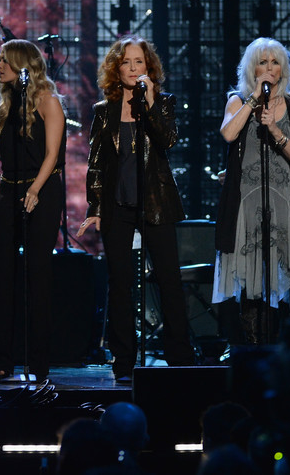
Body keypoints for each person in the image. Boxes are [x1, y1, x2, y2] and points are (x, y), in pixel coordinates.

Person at [78, 35, 195, 383]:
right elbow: (96, 163)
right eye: (126, 62)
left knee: (169, 280)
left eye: (138, 62)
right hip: (117, 205)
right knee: (120, 283)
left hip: (156, 202)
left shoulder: (164, 102)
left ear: (149, 67)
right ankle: (123, 360)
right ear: (117, 68)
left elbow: (167, 140)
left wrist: (153, 102)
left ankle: (181, 358)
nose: (132, 68)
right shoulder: (104, 110)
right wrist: (96, 207)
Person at [212, 37, 290, 344]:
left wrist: (274, 130)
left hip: (285, 206)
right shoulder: (237, 100)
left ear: (283, 69)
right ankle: (255, 358)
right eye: (262, 62)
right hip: (246, 208)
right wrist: (254, 100)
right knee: (253, 291)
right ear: (252, 68)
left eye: (274, 62)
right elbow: (229, 134)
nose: (268, 68)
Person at [0, 39, 66, 383]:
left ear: (23, 65)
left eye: (4, 60)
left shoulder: (48, 101)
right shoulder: (8, 105)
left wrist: (34, 189)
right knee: (3, 277)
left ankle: (38, 363)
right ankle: (2, 360)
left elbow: (52, 153)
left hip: (42, 190)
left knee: (39, 276)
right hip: (10, 190)